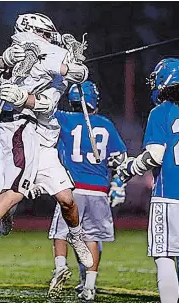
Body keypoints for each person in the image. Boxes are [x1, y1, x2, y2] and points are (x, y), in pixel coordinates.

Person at [0, 12, 93, 279]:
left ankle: (76, 237)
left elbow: (56, 95)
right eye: (45, 33)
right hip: (18, 131)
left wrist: (22, 96)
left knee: (66, 200)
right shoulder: (19, 52)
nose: (48, 38)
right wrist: (5, 60)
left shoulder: (51, 56)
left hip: (41, 139)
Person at [117, 58, 179, 303]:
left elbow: (155, 155)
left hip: (169, 195)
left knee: (164, 257)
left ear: (163, 80)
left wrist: (130, 167)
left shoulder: (160, 112)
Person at [43, 80, 127, 300]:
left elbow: (45, 109)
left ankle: (60, 267)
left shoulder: (64, 118)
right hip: (99, 190)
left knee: (62, 232)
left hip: (73, 188)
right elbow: (120, 158)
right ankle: (89, 286)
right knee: (92, 237)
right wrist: (118, 182)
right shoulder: (106, 123)